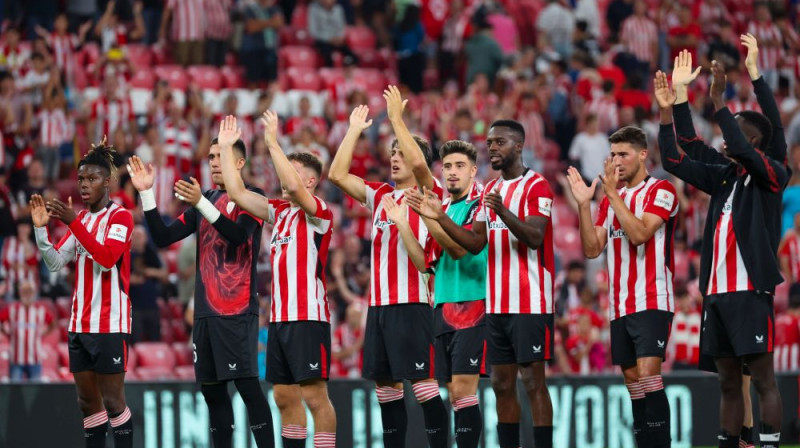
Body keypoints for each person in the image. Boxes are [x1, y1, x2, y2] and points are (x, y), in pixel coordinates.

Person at [656, 35, 787, 448]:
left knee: (763, 379)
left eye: (735, 136)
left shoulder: (771, 175)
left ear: (752, 143)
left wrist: (730, 93)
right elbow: (679, 155)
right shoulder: (725, 177)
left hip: (750, 292)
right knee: (728, 383)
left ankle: (769, 444)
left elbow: (757, 139)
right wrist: (675, 102)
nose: (726, 141)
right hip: (718, 294)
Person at [126, 135, 274, 448]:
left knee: (248, 389)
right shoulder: (203, 201)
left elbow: (237, 236)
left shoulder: (252, 197)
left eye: (220, 156)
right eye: (210, 157)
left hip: (236, 311)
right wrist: (147, 194)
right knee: (213, 393)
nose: (214, 163)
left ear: (239, 163)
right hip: (205, 313)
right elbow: (164, 237)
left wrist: (201, 204)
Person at [419, 119, 555, 448]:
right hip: (495, 304)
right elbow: (475, 242)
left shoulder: (537, 186)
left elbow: (535, 237)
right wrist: (439, 217)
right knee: (502, 384)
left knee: (533, 382)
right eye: (490, 143)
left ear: (519, 146)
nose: (493, 148)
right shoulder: (490, 191)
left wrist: (505, 213)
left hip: (530, 299)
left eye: (500, 142)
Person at [328, 88, 449, 448]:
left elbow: (423, 169)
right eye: (392, 152)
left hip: (413, 304)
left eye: (401, 153)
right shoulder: (381, 195)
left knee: (424, 386)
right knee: (386, 388)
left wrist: (396, 121)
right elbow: (336, 175)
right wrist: (353, 129)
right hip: (379, 307)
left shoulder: (430, 194)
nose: (394, 158)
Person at [217, 113, 338, 448]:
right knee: (284, 396)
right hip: (281, 319)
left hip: (308, 317)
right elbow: (237, 193)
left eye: (294, 168)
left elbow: (296, 188)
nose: (286, 173)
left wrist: (272, 142)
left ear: (311, 181)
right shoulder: (279, 212)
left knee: (315, 397)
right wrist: (227, 150)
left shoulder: (319, 212)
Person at [566, 124, 678, 448]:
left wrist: (611, 195)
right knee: (633, 383)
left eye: (623, 154)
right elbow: (591, 249)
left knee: (648, 375)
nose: (616, 162)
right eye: (612, 155)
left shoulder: (661, 190)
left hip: (652, 296)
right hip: (619, 303)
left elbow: (641, 234)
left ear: (643, 154)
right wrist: (584, 204)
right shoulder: (608, 201)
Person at [31, 143, 134, 447]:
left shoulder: (121, 218)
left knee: (114, 402)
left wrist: (72, 221)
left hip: (109, 323)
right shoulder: (82, 222)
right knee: (88, 404)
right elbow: (55, 262)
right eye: (80, 179)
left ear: (107, 181)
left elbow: (106, 258)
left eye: (91, 179)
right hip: (79, 324)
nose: (84, 185)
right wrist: (41, 231)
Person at [403, 139, 487, 448]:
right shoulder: (446, 207)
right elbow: (429, 264)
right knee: (453, 392)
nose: (452, 172)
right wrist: (407, 221)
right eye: (448, 166)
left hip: (473, 304)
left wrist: (433, 217)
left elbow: (459, 249)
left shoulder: (480, 204)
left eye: (459, 166)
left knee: (464, 390)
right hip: (443, 306)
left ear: (473, 171)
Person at [0, 279, 56, 380]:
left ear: (34, 293)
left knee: (34, 392)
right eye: (24, 291)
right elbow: (1, 320)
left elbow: (53, 323)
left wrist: (43, 333)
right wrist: (7, 333)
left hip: (35, 358)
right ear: (20, 293)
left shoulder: (41, 310)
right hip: (16, 358)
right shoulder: (12, 309)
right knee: (15, 390)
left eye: (29, 291)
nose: (27, 294)